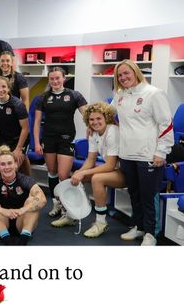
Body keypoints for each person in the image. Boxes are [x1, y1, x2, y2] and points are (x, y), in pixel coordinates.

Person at [112, 60, 173, 246]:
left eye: (126, 73)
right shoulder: (120, 95)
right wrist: (92, 126)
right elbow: (109, 114)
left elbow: (166, 124)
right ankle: (139, 227)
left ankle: (151, 233)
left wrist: (161, 152)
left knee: (148, 196)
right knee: (134, 194)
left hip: (148, 155)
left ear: (136, 72)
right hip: (127, 154)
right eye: (119, 75)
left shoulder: (153, 93)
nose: (123, 78)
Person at [33, 66, 87, 221]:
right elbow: (37, 122)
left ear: (64, 78)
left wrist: (90, 127)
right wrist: (37, 142)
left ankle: (67, 208)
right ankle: (56, 203)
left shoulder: (74, 95)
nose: (55, 81)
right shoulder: (43, 97)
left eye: (58, 78)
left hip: (66, 139)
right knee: (52, 172)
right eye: (52, 78)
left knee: (64, 175)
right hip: (49, 139)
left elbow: (86, 114)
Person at [69, 101, 126, 238]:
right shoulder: (94, 133)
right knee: (76, 177)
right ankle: (73, 214)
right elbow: (90, 160)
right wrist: (80, 172)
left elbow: (110, 165)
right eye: (91, 119)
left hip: (127, 172)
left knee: (96, 178)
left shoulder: (113, 131)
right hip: (113, 170)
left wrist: (83, 172)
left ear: (106, 117)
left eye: (99, 118)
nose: (95, 122)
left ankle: (101, 222)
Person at [0, 146, 46, 244]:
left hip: (22, 222)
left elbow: (42, 199)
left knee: (33, 201)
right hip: (2, 222)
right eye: (3, 164)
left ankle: (23, 240)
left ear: (15, 164)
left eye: (9, 163)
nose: (7, 167)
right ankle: (7, 240)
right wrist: (4, 211)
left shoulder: (25, 179)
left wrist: (22, 210)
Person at [0, 75, 30, 175]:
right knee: (2, 168)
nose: (0, 90)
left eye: (3, 87)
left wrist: (18, 149)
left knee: (12, 169)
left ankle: (30, 184)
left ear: (8, 88)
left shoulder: (17, 105)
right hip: (2, 140)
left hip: (18, 139)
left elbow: (25, 128)